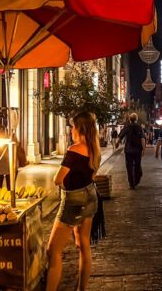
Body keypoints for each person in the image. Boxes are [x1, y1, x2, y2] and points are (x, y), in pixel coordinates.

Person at [46, 111, 101, 291]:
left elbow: (57, 178)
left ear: (80, 128)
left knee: (52, 251)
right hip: (91, 196)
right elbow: (92, 174)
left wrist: (61, 182)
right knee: (83, 245)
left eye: (72, 126)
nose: (71, 130)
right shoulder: (94, 148)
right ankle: (81, 289)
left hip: (73, 200)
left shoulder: (74, 150)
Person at [118, 113, 145, 189]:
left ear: (130, 119)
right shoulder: (140, 128)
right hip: (137, 150)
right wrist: (144, 149)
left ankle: (131, 184)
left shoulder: (127, 127)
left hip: (128, 150)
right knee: (137, 165)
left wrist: (116, 143)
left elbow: (120, 137)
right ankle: (136, 180)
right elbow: (142, 138)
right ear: (136, 119)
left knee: (129, 167)